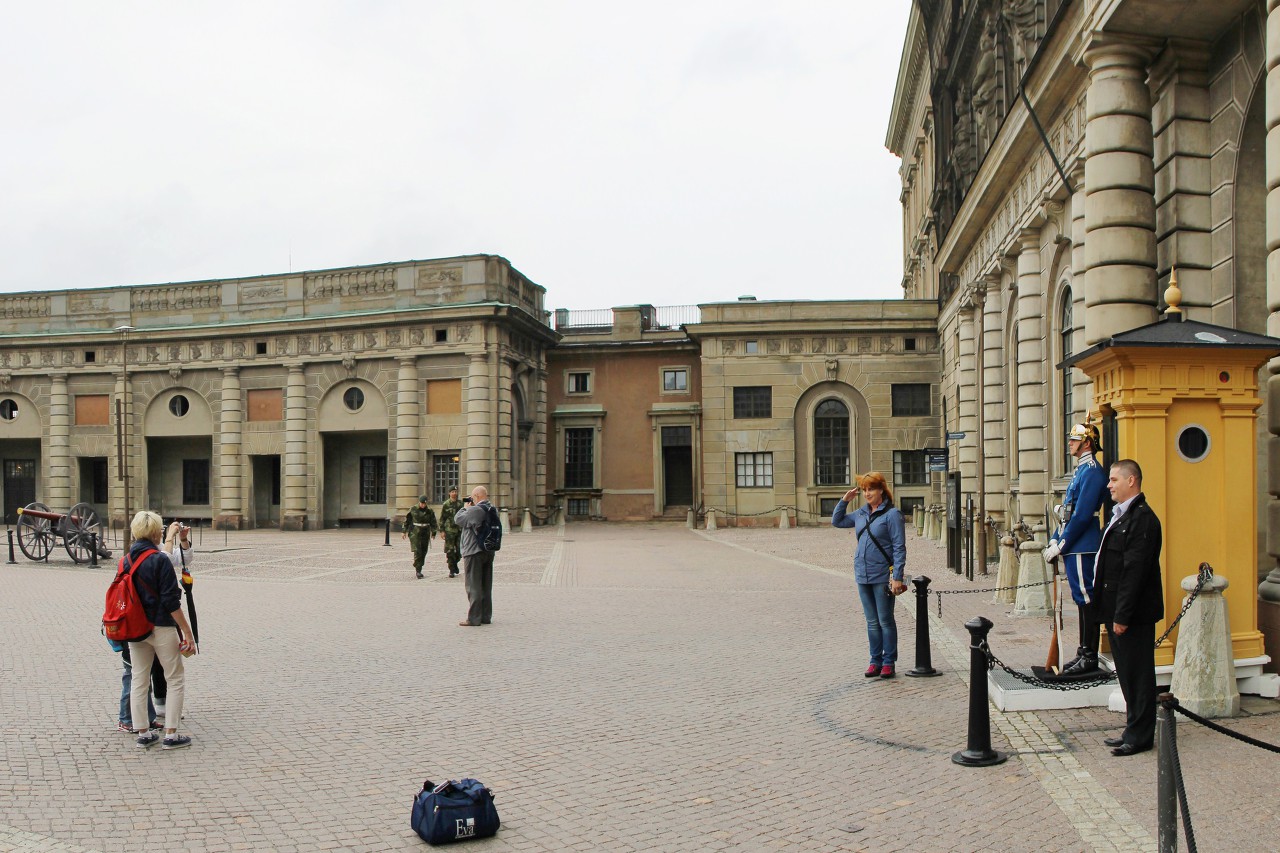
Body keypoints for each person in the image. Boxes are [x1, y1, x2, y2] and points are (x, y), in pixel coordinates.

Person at [1089, 459, 1163, 757]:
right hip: (1117, 610)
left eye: (1114, 479)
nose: (1109, 485)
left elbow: (1135, 572)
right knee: (1127, 674)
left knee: (1139, 674)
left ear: (1132, 481)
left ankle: (1141, 735)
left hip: (1133, 614)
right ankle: (1132, 727)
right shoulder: (1121, 515)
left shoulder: (1142, 519)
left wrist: (1122, 616)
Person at [112, 520, 192, 734]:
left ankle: (143, 734)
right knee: (174, 678)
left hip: (135, 627)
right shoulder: (159, 560)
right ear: (155, 533)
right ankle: (171, 735)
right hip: (161, 626)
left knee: (139, 679)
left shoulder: (125, 560)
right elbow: (170, 601)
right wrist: (187, 631)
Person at [1043, 423, 1107, 674]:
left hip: (1083, 543)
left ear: (1087, 443)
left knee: (1086, 598)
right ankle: (1083, 651)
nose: (1070, 443)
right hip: (1075, 542)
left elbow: (1081, 516)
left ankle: (1089, 654)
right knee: (1080, 598)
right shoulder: (1081, 471)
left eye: (1074, 440)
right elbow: (1068, 512)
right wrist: (1054, 538)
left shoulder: (1091, 472)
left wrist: (1063, 543)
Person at [832, 472, 908, 679]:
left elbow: (899, 548)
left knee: (885, 620)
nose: (867, 493)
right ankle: (875, 660)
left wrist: (898, 577)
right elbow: (837, 521)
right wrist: (844, 501)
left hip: (883, 576)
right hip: (862, 574)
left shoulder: (892, 515)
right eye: (865, 490)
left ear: (881, 490)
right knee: (872, 622)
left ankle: (888, 662)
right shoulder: (860, 514)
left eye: (871, 489)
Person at [454, 486, 497, 627]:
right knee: (486, 585)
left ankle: (474, 618)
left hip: (473, 552)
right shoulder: (491, 508)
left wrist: (465, 507)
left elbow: (458, 519)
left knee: (473, 586)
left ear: (477, 496)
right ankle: (485, 616)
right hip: (488, 551)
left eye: (472, 497)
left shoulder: (475, 510)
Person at [402, 496, 439, 579]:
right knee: (417, 550)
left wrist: (434, 532)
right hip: (415, 533)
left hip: (425, 532)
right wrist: (404, 531)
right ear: (419, 502)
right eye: (422, 503)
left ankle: (420, 566)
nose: (423, 505)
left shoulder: (429, 511)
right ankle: (418, 569)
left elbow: (433, 522)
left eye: (424, 503)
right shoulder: (413, 509)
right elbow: (406, 521)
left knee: (423, 551)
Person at [439, 486, 464, 578]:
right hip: (449, 530)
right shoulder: (446, 504)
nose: (454, 493)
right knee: (450, 551)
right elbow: (442, 518)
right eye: (452, 491)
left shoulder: (461, 504)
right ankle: (451, 569)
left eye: (456, 491)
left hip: (459, 530)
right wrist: (442, 531)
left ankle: (455, 563)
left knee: (459, 551)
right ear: (449, 493)